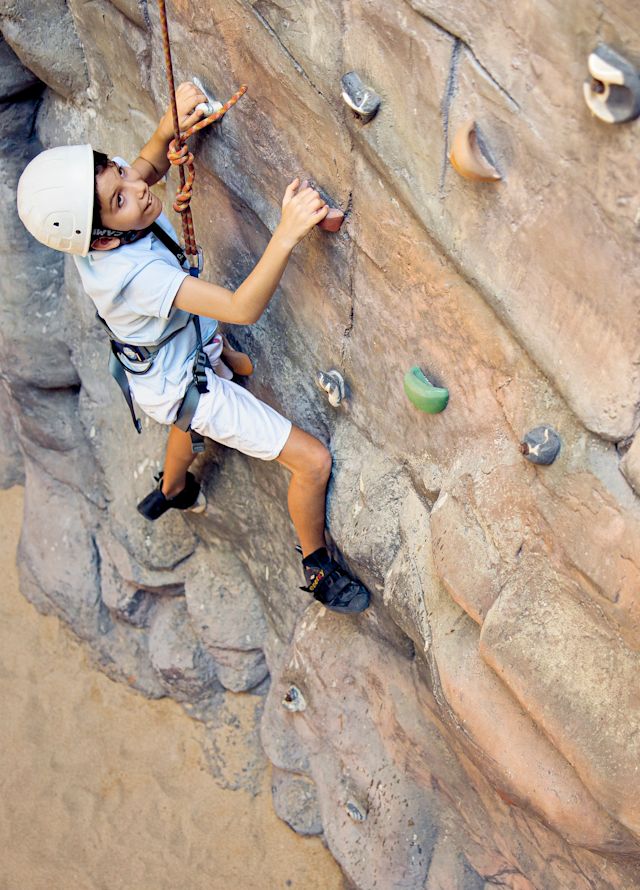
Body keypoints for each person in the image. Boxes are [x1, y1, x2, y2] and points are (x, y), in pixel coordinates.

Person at [17, 81, 369, 614]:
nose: (138, 190)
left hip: (166, 362)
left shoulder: (101, 217)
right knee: (312, 461)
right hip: (183, 374)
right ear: (102, 241)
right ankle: (317, 566)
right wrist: (287, 231)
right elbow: (242, 307)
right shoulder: (133, 277)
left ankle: (176, 488)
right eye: (121, 199)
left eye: (119, 175)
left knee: (185, 418)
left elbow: (144, 166)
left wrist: (167, 126)